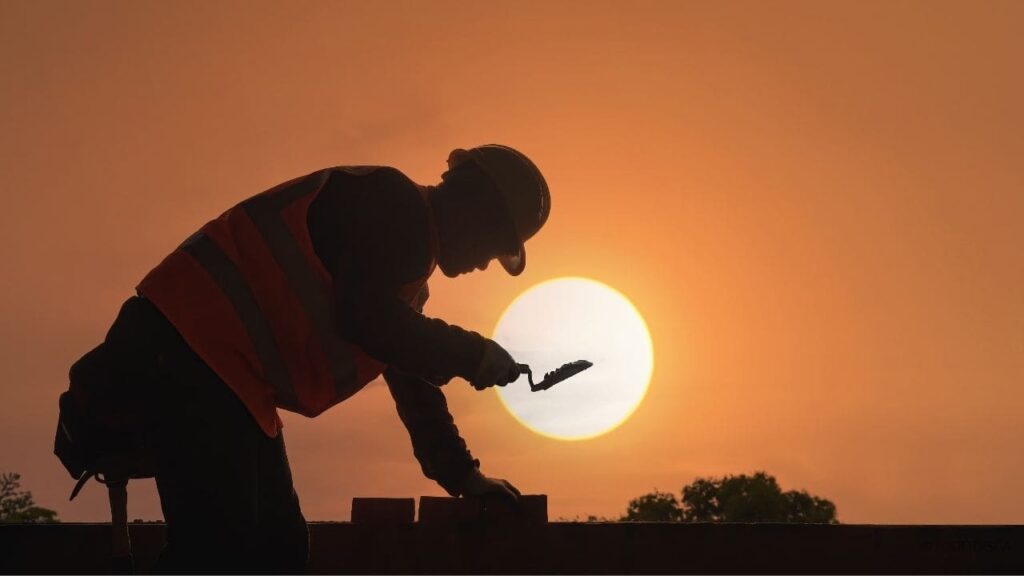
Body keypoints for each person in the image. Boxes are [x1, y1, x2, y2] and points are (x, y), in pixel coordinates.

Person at [91, 144, 550, 572]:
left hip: (223, 373)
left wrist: (463, 474)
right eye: (494, 244)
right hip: (187, 348)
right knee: (220, 553)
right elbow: (368, 320)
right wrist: (472, 353)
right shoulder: (395, 207)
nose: (486, 262)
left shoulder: (404, 264)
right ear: (476, 210)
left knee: (278, 549)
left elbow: (407, 372)